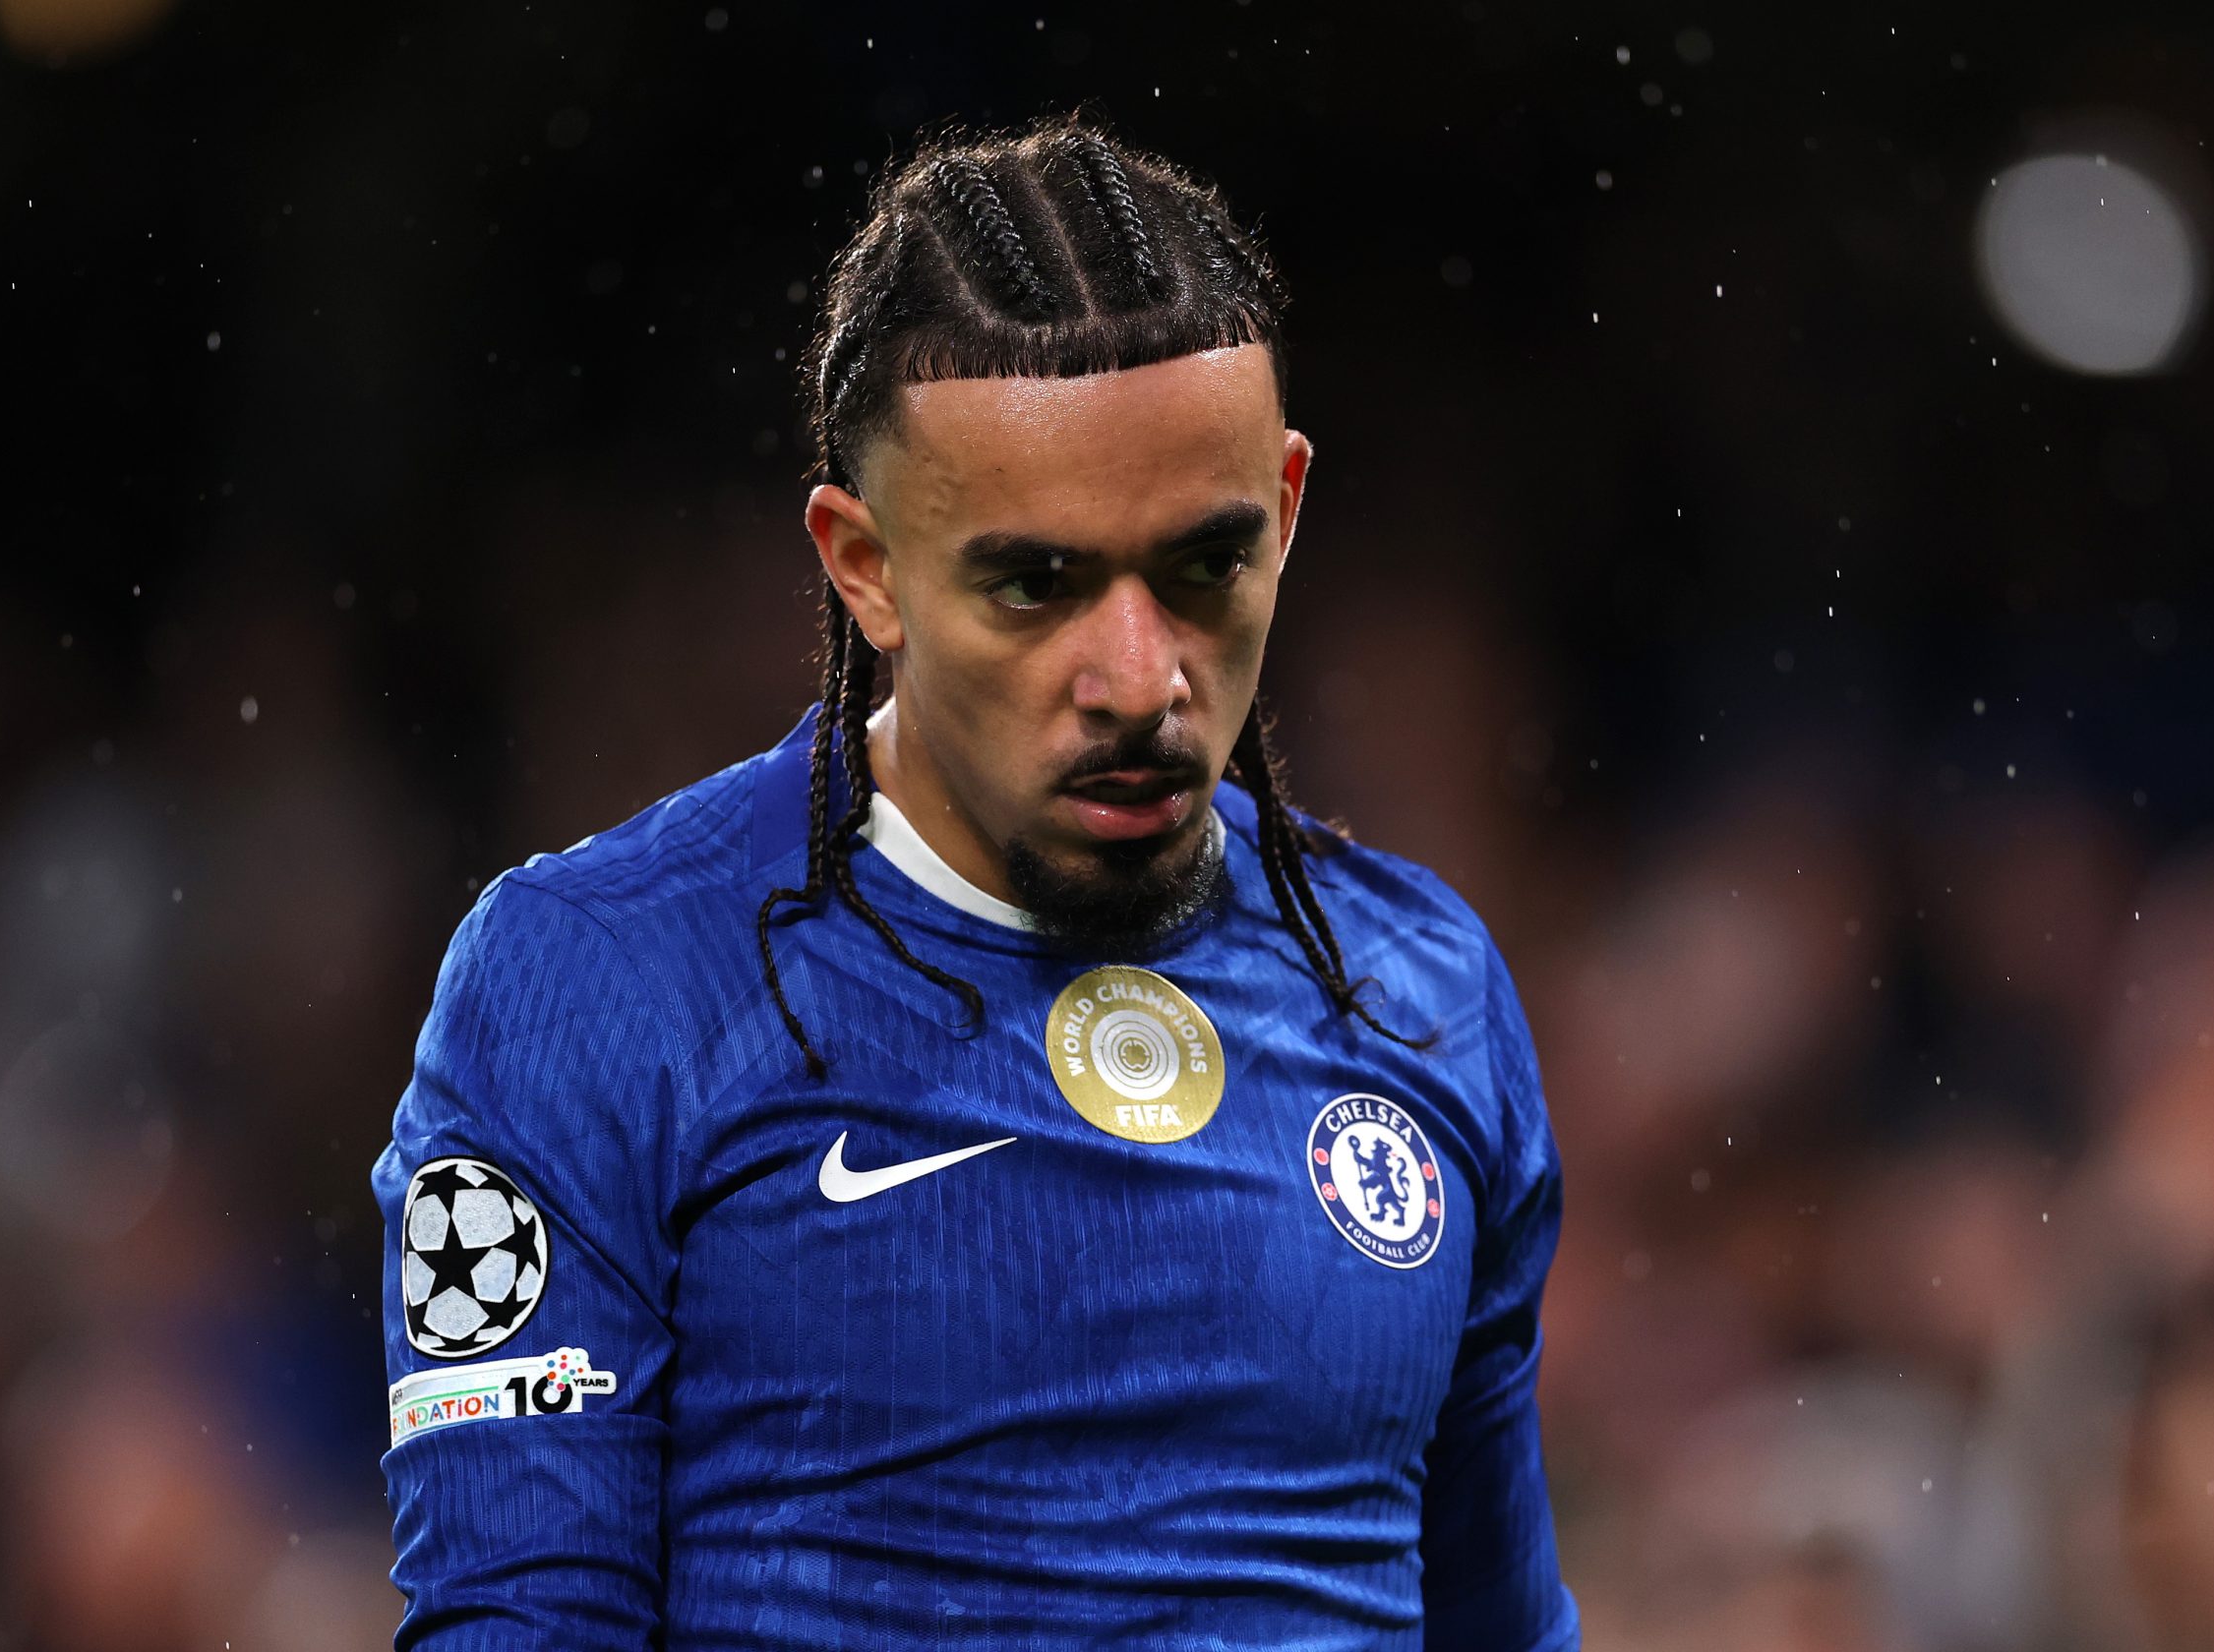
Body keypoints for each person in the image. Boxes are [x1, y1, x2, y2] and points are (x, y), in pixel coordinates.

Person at [373, 107, 1579, 1651]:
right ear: (864, 566)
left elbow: (1498, 1628)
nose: (1139, 680)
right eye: (1035, 583)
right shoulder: (599, 986)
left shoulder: (1420, 990)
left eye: (1204, 566)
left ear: (1284, 511)